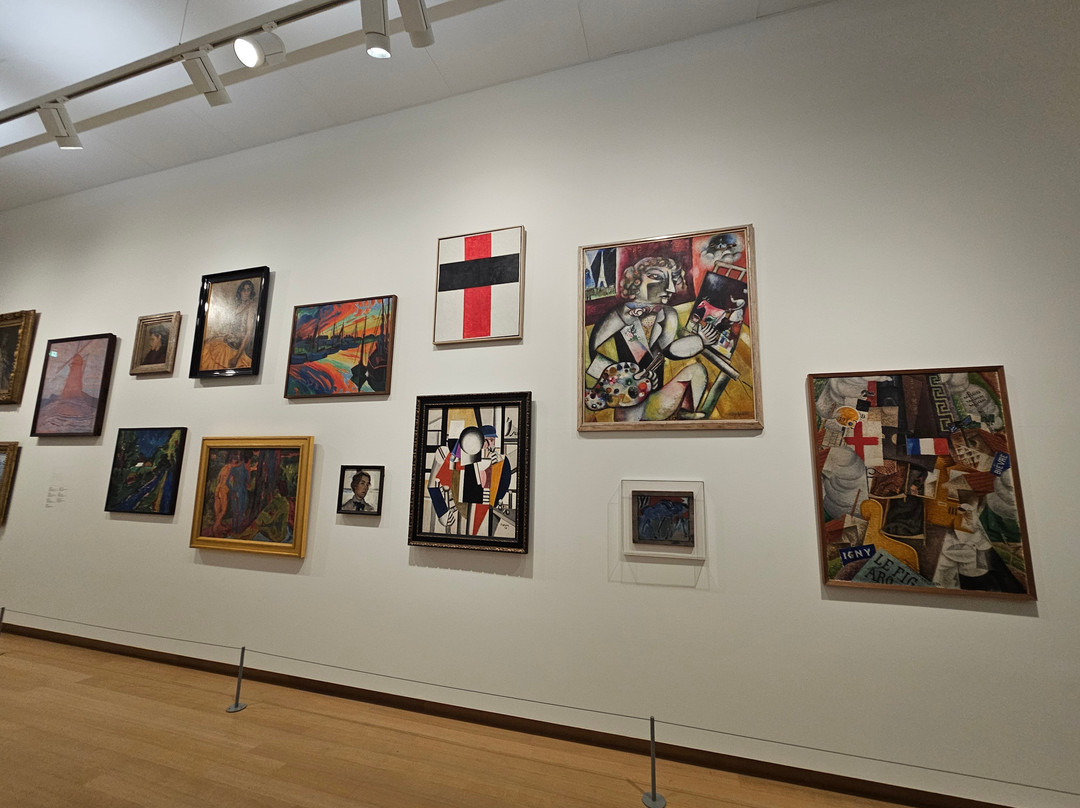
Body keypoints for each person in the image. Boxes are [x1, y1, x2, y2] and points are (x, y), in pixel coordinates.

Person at [584, 256, 720, 421]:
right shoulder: (618, 316)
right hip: (628, 400)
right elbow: (593, 358)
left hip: (657, 399)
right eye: (657, 277)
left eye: (672, 280)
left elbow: (670, 349)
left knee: (698, 371)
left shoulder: (668, 314)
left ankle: (683, 414)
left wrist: (700, 341)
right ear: (636, 281)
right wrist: (627, 380)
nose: (670, 288)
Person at [200, 279, 258, 371]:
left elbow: (249, 333)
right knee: (206, 348)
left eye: (248, 290)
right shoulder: (237, 306)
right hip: (227, 340)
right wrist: (215, 336)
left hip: (237, 347)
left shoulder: (251, 307)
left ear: (251, 292)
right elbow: (229, 327)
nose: (246, 293)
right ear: (240, 292)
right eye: (243, 290)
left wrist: (236, 357)